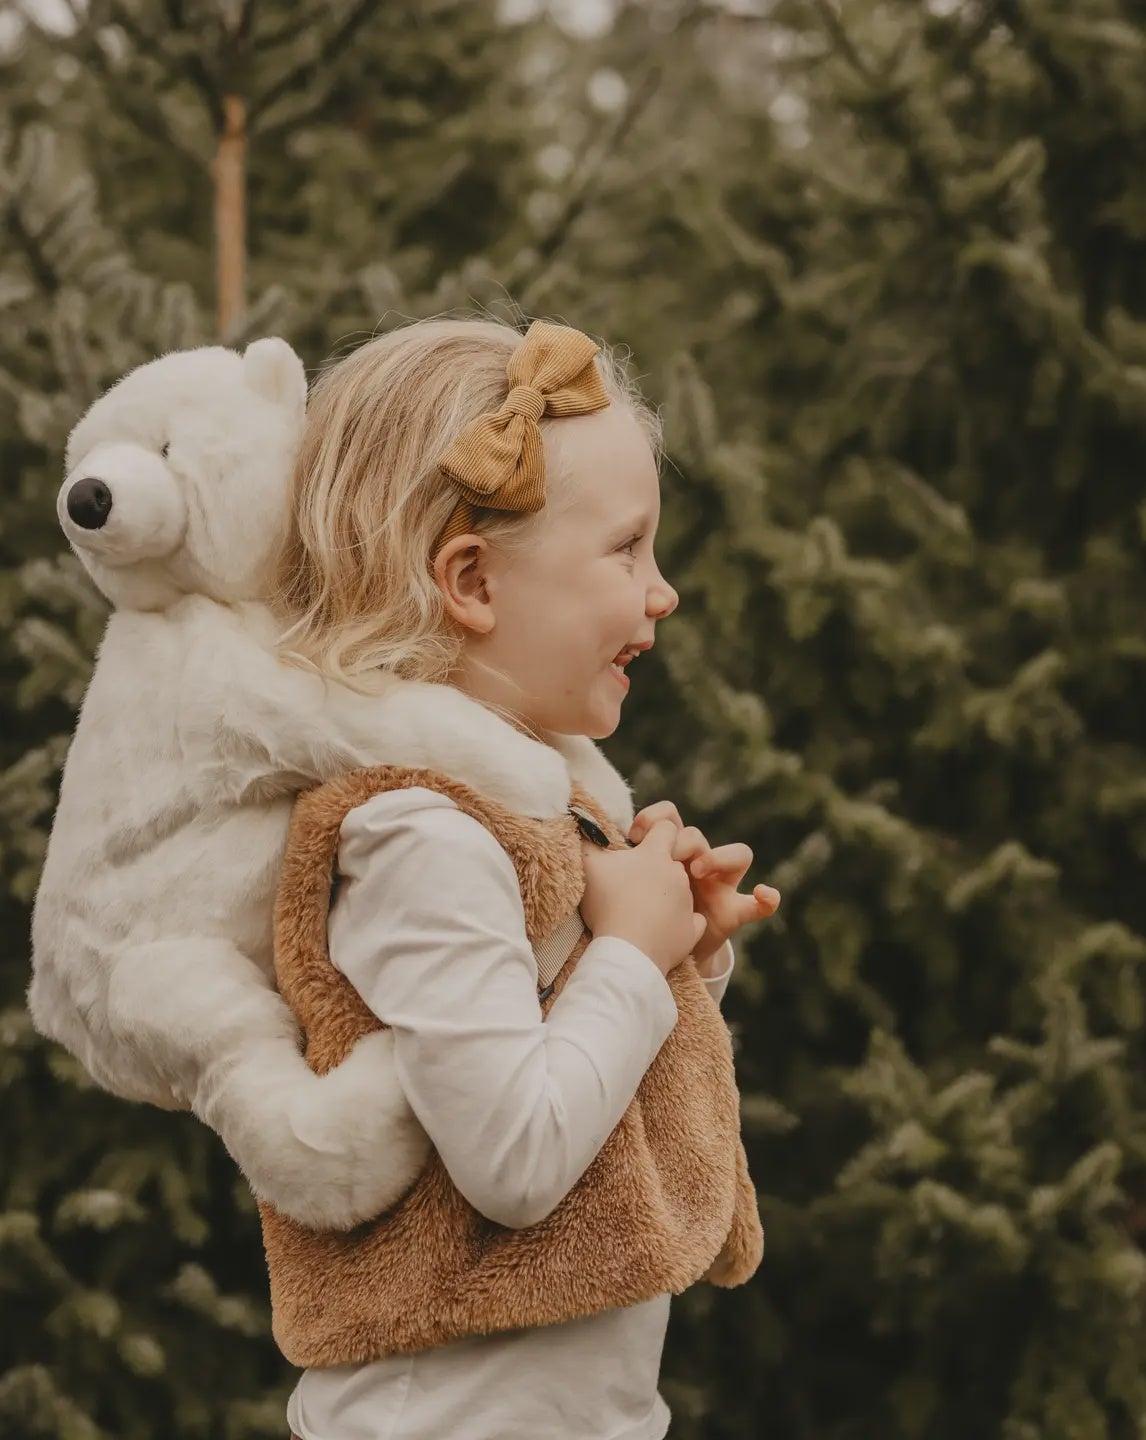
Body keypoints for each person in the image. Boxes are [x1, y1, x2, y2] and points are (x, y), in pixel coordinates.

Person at [265, 315, 781, 1440]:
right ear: (471, 581)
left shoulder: (544, 800)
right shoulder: (419, 837)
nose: (663, 592)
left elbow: (587, 1064)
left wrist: (680, 951)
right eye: (627, 550)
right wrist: (632, 958)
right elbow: (516, 1158)